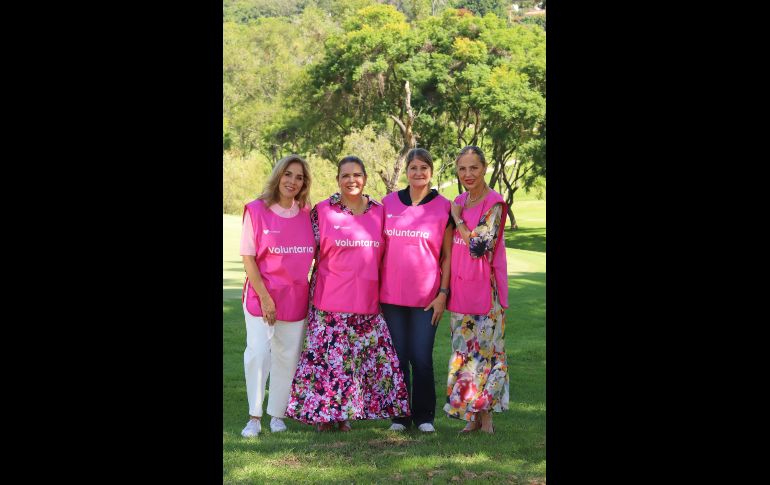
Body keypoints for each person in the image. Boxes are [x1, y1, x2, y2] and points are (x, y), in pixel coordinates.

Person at [285, 156, 410, 432]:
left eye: (356, 175)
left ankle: (343, 416)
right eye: (345, 175)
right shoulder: (322, 211)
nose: (351, 180)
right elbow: (307, 251)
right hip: (328, 301)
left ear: (365, 178)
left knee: (353, 366)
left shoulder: (380, 211)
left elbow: (390, 254)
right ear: (337, 180)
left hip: (366, 303)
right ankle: (324, 417)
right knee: (328, 363)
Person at [239, 155, 316, 437]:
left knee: (288, 357)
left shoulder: (308, 214)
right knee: (258, 354)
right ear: (278, 176)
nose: (292, 181)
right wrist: (266, 298)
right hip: (262, 295)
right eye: (288, 174)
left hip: (295, 297)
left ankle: (277, 415)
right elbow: (248, 259)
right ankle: (254, 417)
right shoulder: (256, 210)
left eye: (299, 177)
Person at [379, 148, 453, 433]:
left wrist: (443, 293)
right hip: (391, 297)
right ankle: (400, 416)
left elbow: (447, 256)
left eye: (424, 168)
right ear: (406, 171)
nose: (418, 173)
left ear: (431, 172)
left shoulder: (444, 206)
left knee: (420, 357)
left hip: (427, 298)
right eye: (413, 168)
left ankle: (424, 416)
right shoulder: (388, 203)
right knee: (397, 357)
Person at [444, 146, 510, 434]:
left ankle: (487, 418)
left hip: (486, 292)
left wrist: (457, 218)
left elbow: (477, 246)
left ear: (484, 168)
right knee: (465, 354)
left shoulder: (494, 202)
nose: (468, 174)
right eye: (462, 169)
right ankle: (472, 415)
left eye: (473, 168)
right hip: (460, 290)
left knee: (488, 353)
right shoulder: (460, 199)